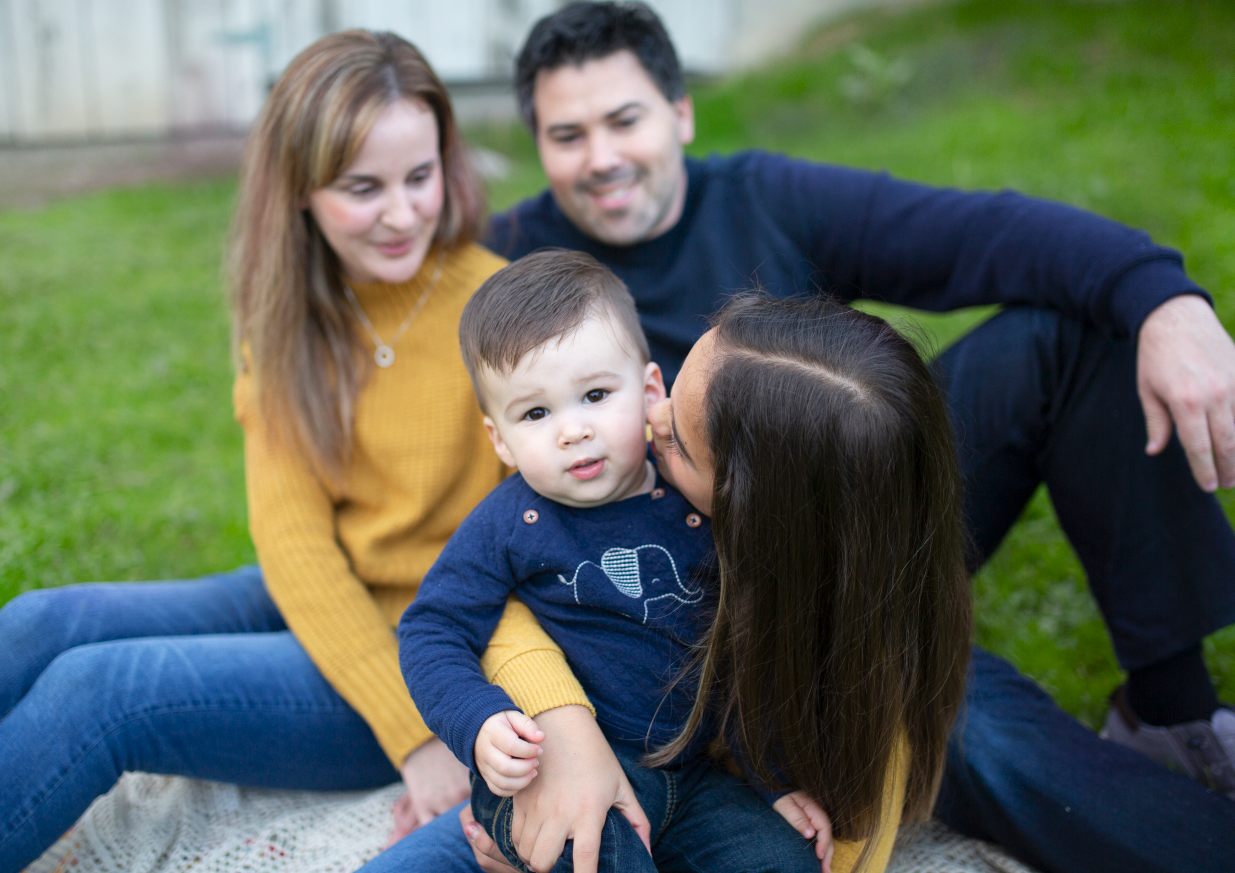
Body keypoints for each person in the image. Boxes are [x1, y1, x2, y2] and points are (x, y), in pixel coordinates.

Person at [477, 3, 1235, 872]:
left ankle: (1171, 712)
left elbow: (985, 233)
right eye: (568, 134)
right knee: (969, 729)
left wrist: (1162, 299)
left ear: (680, 112)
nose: (602, 158)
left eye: (624, 119)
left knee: (1078, 331)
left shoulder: (764, 196)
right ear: (536, 144)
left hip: (855, 492)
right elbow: (499, 533)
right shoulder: (513, 278)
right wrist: (563, 725)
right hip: (715, 599)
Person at [0, 31, 595, 873]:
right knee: (40, 623)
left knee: (101, 695)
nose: (401, 213)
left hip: (436, 645)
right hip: (325, 590)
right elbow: (294, 544)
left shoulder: (499, 317)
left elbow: (544, 557)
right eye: (362, 188)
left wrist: (422, 729)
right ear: (301, 192)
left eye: (419, 177)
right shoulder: (289, 321)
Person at [399, 253, 969, 873]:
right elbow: (432, 627)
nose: (573, 430)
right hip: (560, 770)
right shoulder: (510, 523)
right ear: (500, 441)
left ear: (645, 387)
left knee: (781, 861)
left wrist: (773, 781)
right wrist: (478, 723)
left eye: (594, 395)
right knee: (592, 854)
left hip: (693, 779)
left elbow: (747, 669)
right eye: (536, 413)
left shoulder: (712, 523)